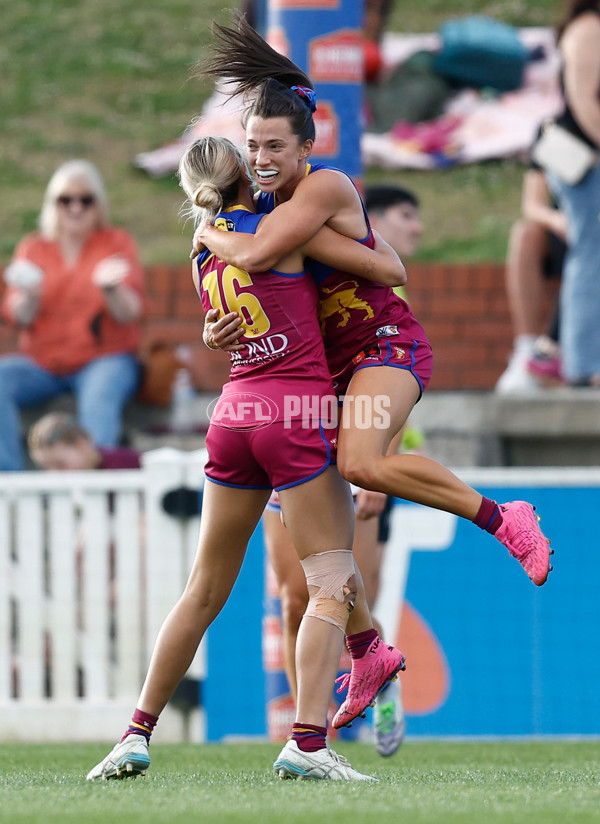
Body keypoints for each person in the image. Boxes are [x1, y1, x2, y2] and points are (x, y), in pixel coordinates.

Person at [197, 12, 552, 675]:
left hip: (383, 347)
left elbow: (267, 251)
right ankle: (367, 655)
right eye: (253, 146)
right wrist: (216, 330)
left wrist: (208, 226)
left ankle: (504, 518)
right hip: (321, 373)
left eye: (276, 145)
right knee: (311, 552)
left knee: (362, 466)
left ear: (306, 147)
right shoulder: (272, 207)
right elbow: (367, 266)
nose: (263, 159)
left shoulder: (320, 188)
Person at [86, 135, 408, 783]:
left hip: (234, 413)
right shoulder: (282, 229)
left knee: (203, 589)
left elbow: (229, 315)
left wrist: (213, 261)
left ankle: (134, 734)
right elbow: (385, 269)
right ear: (244, 175)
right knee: (331, 582)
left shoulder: (202, 247)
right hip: (294, 413)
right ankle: (309, 742)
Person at [261, 184, 424, 759]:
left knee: (356, 588)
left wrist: (371, 469)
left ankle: (378, 683)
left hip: (361, 445)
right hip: (301, 433)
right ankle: (313, 727)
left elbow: (387, 371)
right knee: (291, 594)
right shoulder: (272, 256)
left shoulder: (357, 266)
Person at [0, 159, 145, 472]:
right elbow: (17, 315)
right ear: (53, 204)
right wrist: (30, 296)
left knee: (100, 391)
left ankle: (97, 490)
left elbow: (131, 312)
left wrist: (110, 289)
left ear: (98, 204)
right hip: (43, 363)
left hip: (104, 358)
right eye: (66, 200)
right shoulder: (33, 247)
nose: (76, 208)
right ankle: (9, 485)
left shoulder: (115, 242)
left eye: (86, 199)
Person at [540, 0, 600, 386]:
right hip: (587, 161)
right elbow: (585, 102)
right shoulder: (590, 27)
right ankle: (583, 364)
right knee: (591, 256)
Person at [495, 163, 567, 394]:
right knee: (525, 233)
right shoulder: (554, 131)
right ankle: (529, 350)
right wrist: (559, 221)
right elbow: (532, 205)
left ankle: (551, 350)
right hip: (570, 226)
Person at [28, 412, 141, 471]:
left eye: (60, 465)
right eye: (45, 468)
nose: (53, 475)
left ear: (81, 446)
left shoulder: (129, 464)